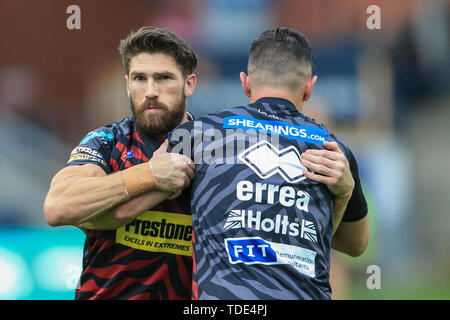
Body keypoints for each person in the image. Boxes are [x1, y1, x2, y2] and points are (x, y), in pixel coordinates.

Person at [168, 27, 370, 299]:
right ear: (309, 87)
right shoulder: (333, 150)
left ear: (245, 83)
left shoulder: (197, 135)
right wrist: (345, 192)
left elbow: (135, 204)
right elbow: (356, 245)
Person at [43, 26, 198, 300]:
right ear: (127, 84)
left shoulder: (215, 148)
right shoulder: (107, 141)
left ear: (189, 84)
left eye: (163, 78)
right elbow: (58, 207)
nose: (150, 91)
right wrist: (152, 176)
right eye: (140, 78)